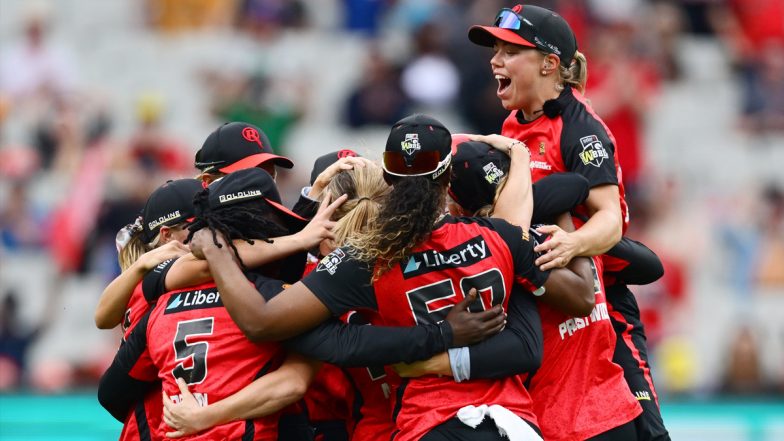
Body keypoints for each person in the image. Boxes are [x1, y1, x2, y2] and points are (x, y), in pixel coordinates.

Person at [190, 114, 596, 441]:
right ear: (448, 179)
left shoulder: (366, 261)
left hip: (425, 423)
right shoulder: (499, 237)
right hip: (513, 424)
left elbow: (266, 323)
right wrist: (572, 231)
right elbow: (572, 305)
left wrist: (213, 245)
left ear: (388, 177)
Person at [468, 5, 669, 440]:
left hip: (599, 301)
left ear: (549, 63)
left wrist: (573, 244)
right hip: (550, 299)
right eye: (495, 49)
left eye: (509, 51)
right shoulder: (511, 125)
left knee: (648, 430)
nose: (494, 60)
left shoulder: (581, 128)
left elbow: (611, 221)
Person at [98, 169, 327, 440]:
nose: (204, 234)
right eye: (197, 227)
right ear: (168, 235)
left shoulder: (153, 283)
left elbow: (110, 384)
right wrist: (299, 239)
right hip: (167, 421)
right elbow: (222, 253)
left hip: (169, 425)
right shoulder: (172, 274)